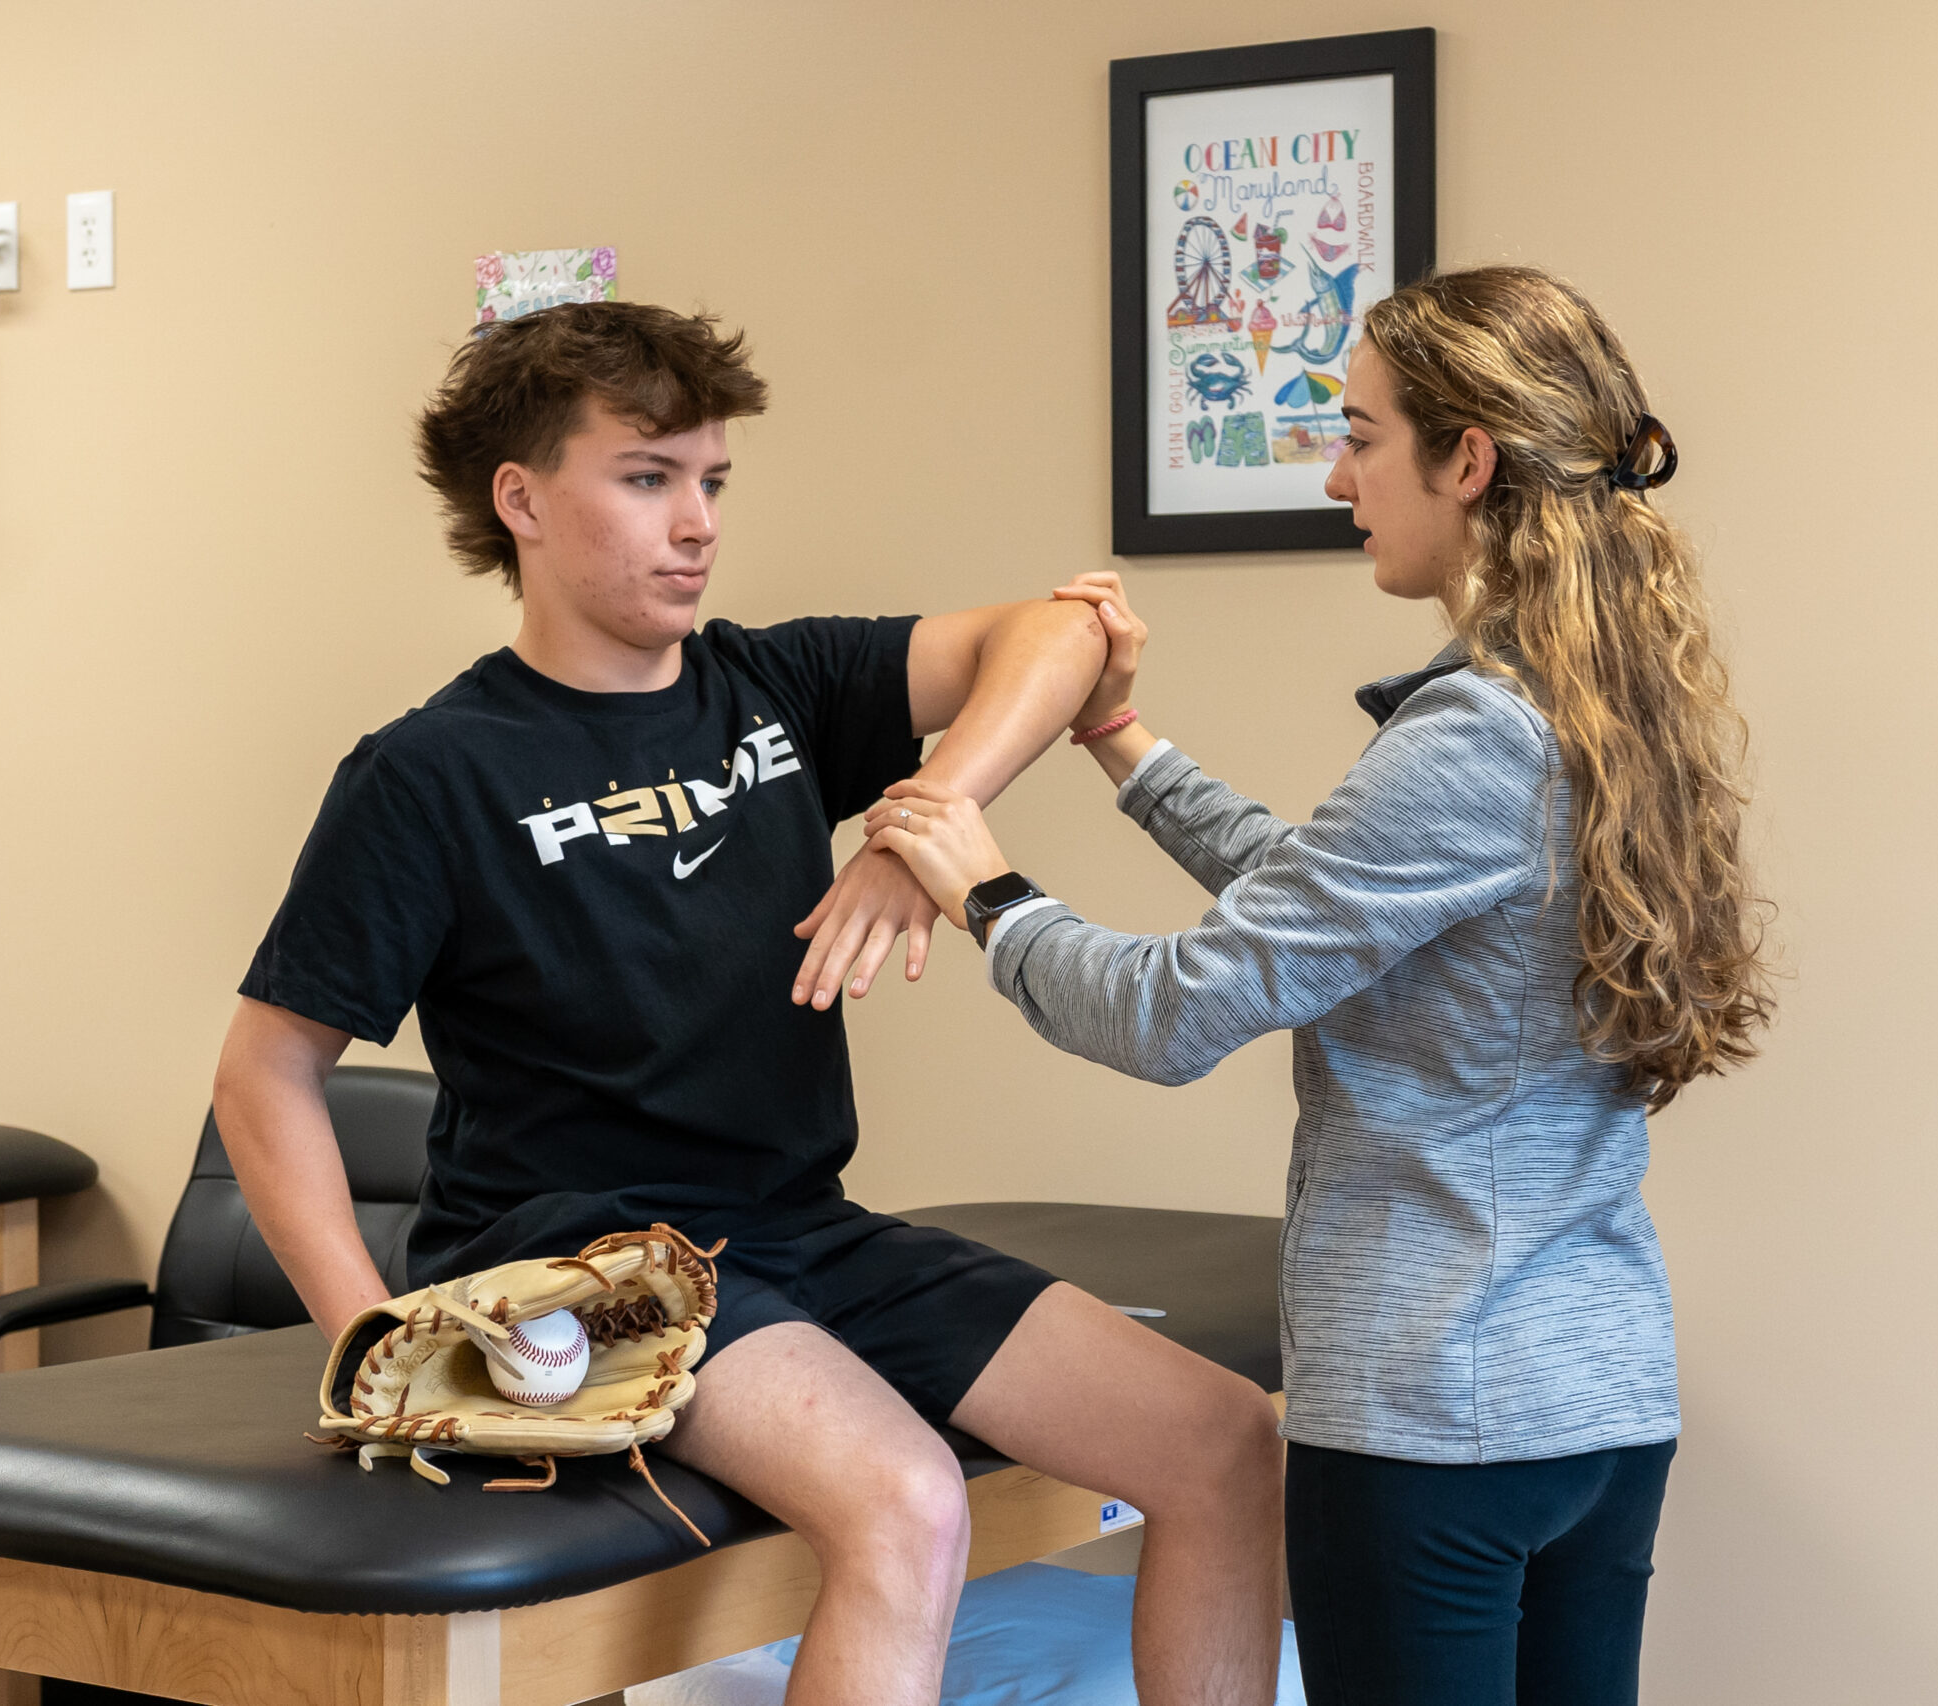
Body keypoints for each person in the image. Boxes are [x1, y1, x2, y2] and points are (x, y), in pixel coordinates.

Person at [211, 302, 1282, 1706]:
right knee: (908, 1504)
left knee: (1223, 1438)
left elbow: (1065, 629)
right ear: (522, 500)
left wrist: (925, 815)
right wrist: (371, 1343)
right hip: (583, 1264)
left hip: (798, 1229)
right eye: (647, 478)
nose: (696, 522)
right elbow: (263, 1074)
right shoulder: (428, 773)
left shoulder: (771, 689)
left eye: (711, 481)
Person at [868, 266, 1774, 1706]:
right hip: (1593, 1411)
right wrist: (1124, 744)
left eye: (1359, 433)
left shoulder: (1475, 732)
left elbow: (1174, 1014)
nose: (1337, 469)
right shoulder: (1595, 705)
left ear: (1466, 459)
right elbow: (1341, 898)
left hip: (1435, 1424)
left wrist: (988, 890)